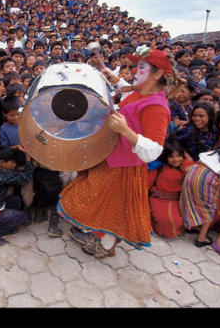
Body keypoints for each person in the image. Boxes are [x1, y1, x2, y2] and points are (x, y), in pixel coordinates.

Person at [57, 46, 174, 258]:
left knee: (108, 208)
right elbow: (128, 89)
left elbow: (154, 150)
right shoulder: (141, 91)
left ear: (157, 74)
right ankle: (103, 241)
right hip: (110, 157)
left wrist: (125, 131)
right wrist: (111, 75)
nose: (134, 71)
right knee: (104, 207)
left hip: (124, 167)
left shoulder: (156, 107)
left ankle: (107, 245)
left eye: (141, 68)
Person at [149, 139, 193, 238]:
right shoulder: (159, 166)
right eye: (171, 157)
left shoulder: (185, 165)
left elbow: (199, 171)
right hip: (158, 199)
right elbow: (148, 184)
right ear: (165, 157)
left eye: (179, 156)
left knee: (178, 221)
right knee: (169, 221)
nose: (176, 159)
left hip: (176, 201)